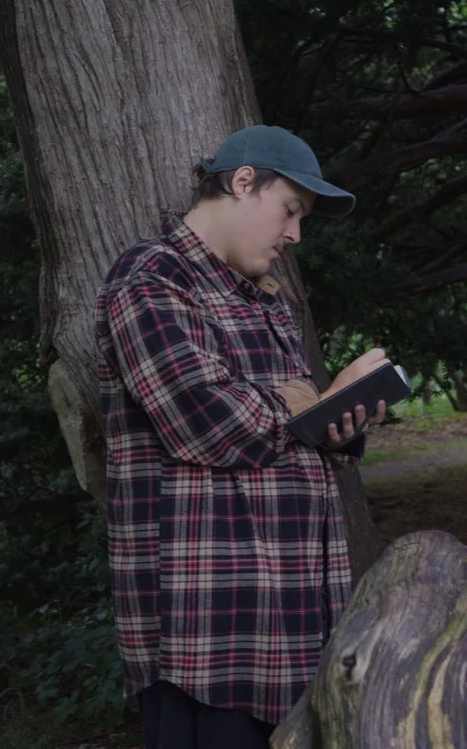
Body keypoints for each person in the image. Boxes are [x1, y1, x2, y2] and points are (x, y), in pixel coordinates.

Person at [96, 125, 387, 749]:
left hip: (295, 631)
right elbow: (211, 422)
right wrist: (316, 403)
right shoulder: (151, 277)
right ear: (244, 182)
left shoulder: (264, 300)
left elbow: (295, 422)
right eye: (290, 211)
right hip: (209, 645)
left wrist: (337, 417)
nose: (294, 235)